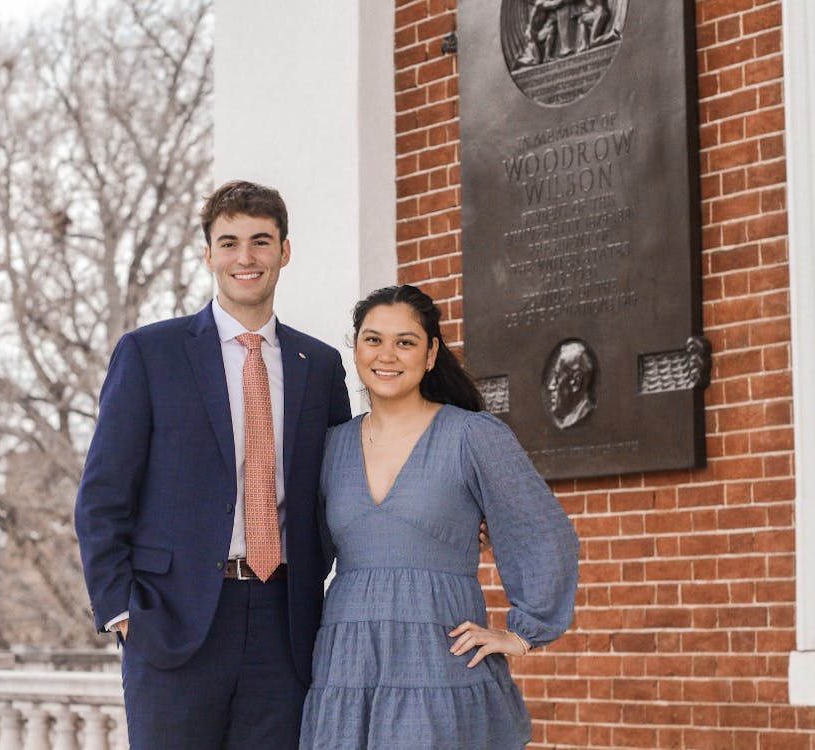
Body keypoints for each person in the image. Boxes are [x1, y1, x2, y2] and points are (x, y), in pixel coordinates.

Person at [73, 180, 351, 749]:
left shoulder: (318, 365)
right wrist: (120, 609)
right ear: (208, 255)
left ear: (284, 251)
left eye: (260, 241)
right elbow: (103, 494)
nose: (244, 258)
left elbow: (339, 487)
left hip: (286, 620)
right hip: (172, 619)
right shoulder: (150, 353)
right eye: (228, 243)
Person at [300, 284, 579, 749]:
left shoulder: (471, 436)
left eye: (405, 341)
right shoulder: (330, 447)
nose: (387, 354)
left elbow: (544, 532)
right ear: (355, 349)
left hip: (439, 660)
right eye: (373, 339)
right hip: (347, 664)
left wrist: (524, 634)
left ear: (430, 354)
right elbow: (308, 554)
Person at [543, 338, 597, 429]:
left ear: (576, 382)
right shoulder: (565, 420)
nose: (550, 386)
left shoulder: (583, 414)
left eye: (557, 378)